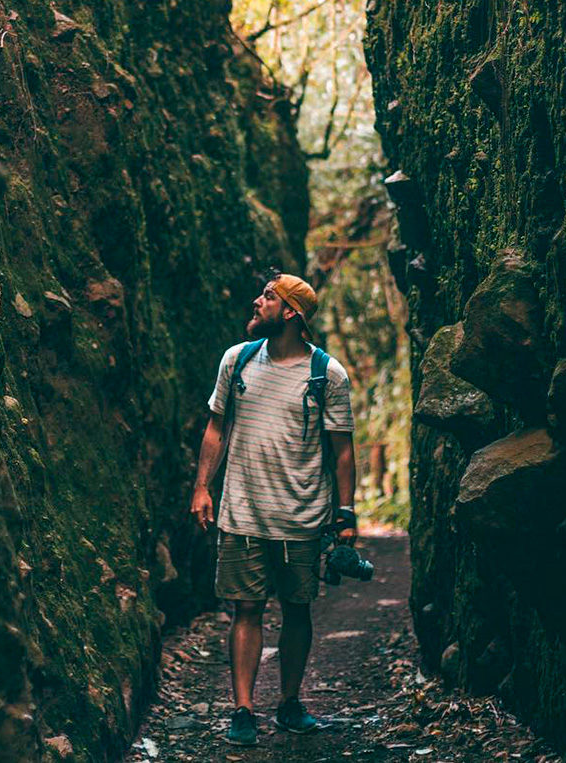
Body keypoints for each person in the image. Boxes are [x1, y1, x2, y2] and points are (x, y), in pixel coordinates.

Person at [190, 273, 357, 747]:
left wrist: (346, 516)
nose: (256, 300)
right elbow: (215, 428)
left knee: (297, 608)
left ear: (290, 313)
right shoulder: (236, 360)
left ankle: (289, 702)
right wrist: (202, 487)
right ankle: (243, 710)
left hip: (302, 514)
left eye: (267, 296)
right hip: (242, 509)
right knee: (246, 608)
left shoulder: (328, 375)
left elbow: (342, 449)